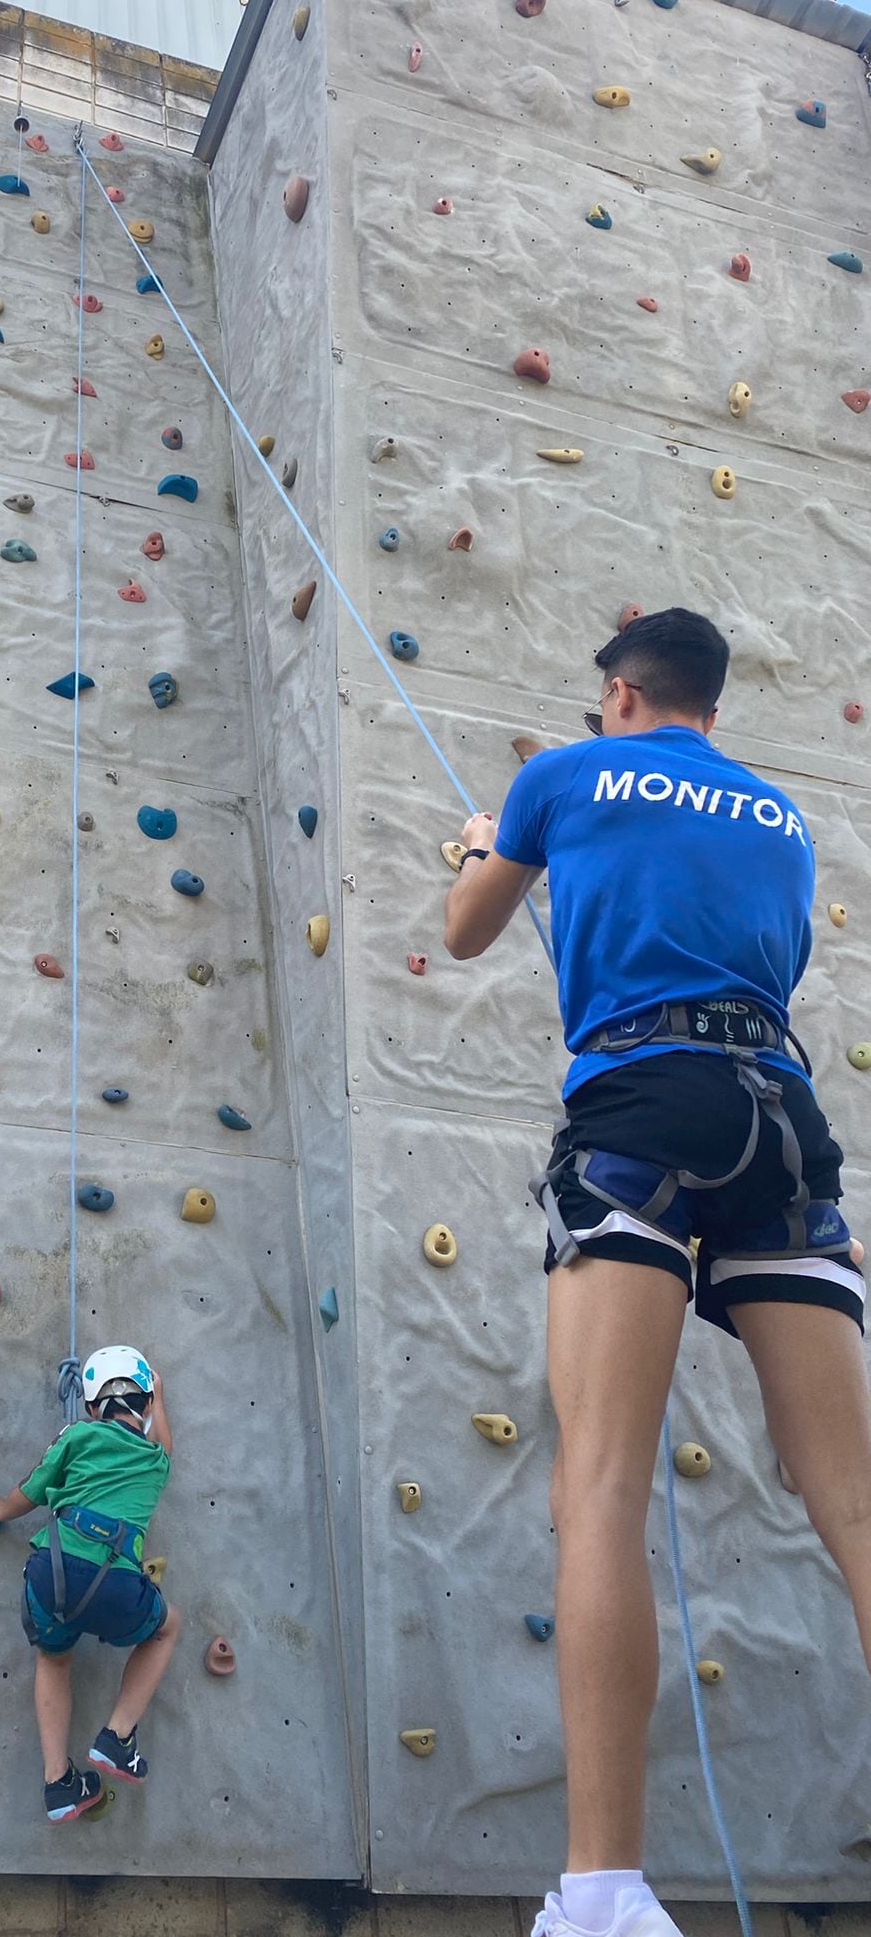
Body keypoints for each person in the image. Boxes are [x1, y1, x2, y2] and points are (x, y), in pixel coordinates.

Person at [442, 608, 867, 1937]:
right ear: (710, 712)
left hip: (641, 1110)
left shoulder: (560, 777)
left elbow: (465, 932)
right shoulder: (784, 822)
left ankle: (608, 1893)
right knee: (856, 1510)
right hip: (782, 1125)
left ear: (620, 697)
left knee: (603, 1490)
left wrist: (476, 850)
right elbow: (769, 967)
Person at [0, 1345, 181, 1823]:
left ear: (91, 1406)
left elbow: (30, 1490)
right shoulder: (155, 1461)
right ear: (146, 1407)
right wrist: (162, 1401)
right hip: (117, 1585)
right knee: (167, 1627)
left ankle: (58, 1784)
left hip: (55, 1576)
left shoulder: (76, 1434)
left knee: (54, 1658)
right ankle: (117, 1735)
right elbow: (165, 1444)